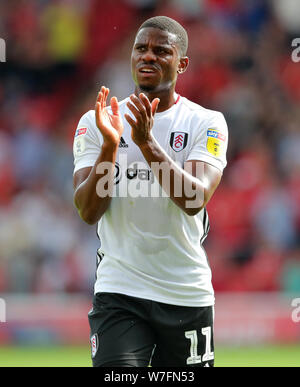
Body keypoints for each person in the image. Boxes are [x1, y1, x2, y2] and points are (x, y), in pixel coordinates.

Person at [73, 16, 228, 367]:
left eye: (161, 50)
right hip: (120, 291)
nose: (148, 56)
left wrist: (146, 144)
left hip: (185, 293)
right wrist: (110, 149)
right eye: (140, 48)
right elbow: (87, 211)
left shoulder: (206, 122)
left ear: (182, 63)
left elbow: (193, 199)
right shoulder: (98, 122)